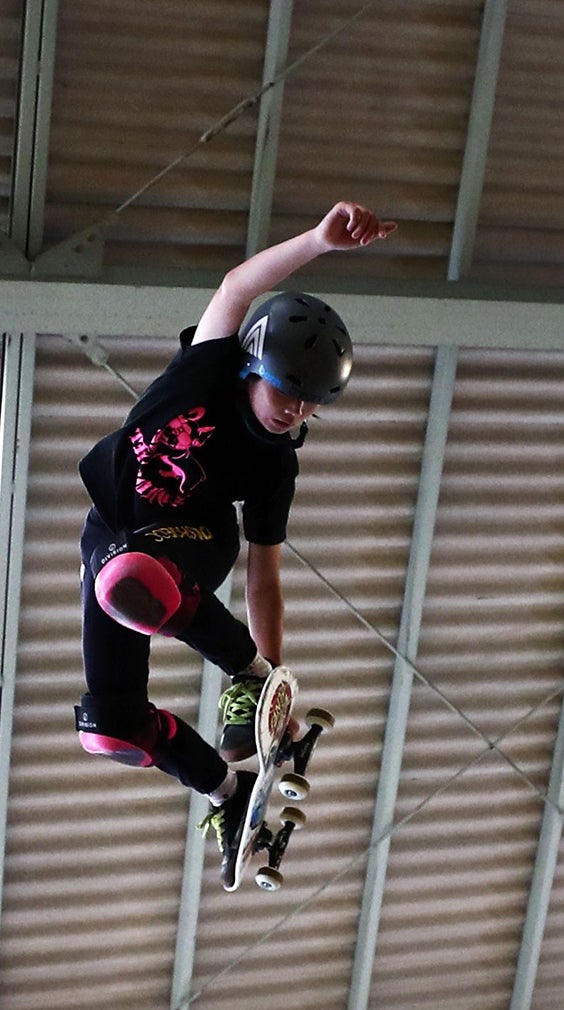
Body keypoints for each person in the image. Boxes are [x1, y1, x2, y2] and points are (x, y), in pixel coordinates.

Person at [74, 200, 396, 882]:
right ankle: (226, 792)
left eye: (311, 403)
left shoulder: (277, 464)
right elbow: (237, 288)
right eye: (286, 389)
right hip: (114, 528)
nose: (295, 410)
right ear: (254, 366)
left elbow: (262, 575)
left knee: (136, 578)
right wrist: (316, 241)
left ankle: (243, 678)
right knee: (110, 727)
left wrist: (268, 674)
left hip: (197, 541)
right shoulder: (210, 367)